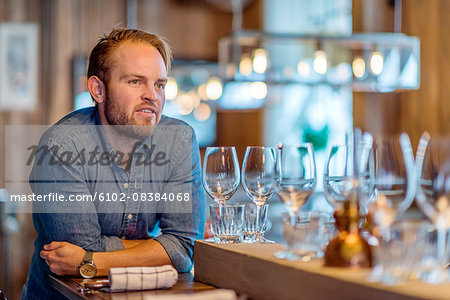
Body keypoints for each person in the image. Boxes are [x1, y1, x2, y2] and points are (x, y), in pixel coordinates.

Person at [21, 28, 206, 299]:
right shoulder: (62, 147)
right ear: (98, 89)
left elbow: (183, 247)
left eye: (159, 84)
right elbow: (72, 252)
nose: (152, 96)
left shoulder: (179, 140)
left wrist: (91, 260)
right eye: (135, 81)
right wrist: (156, 248)